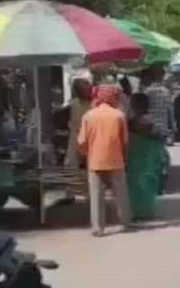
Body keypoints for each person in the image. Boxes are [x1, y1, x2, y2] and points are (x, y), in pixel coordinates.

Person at [79, 85, 132, 237]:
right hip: (116, 159)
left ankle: (98, 228)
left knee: (96, 194)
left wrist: (86, 155)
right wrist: (124, 157)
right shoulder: (119, 116)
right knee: (121, 192)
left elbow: (82, 142)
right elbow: (125, 141)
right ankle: (125, 223)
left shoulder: (88, 116)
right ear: (113, 97)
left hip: (95, 160)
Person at [125, 93, 166, 221]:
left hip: (134, 161)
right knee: (148, 185)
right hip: (149, 161)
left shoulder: (128, 122)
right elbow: (159, 138)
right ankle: (146, 212)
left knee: (134, 186)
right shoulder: (150, 121)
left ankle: (136, 212)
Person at [64, 77, 94, 169]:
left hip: (91, 138)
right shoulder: (73, 104)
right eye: (82, 90)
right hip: (76, 137)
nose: (88, 91)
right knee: (71, 165)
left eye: (88, 89)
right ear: (77, 92)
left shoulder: (95, 103)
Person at [141, 68, 173, 145]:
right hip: (163, 128)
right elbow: (170, 111)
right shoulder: (167, 92)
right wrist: (171, 127)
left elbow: (143, 111)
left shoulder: (146, 92)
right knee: (161, 151)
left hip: (150, 128)